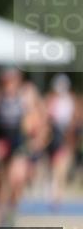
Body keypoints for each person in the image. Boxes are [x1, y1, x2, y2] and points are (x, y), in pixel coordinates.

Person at [0, 68, 31, 229]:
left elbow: (38, 117)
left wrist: (36, 137)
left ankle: (12, 211)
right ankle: (0, 214)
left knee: (17, 179)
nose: (9, 84)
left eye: (12, 80)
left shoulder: (26, 96)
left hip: (19, 141)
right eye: (6, 81)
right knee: (1, 180)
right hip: (1, 141)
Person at [45, 74, 76, 209]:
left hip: (63, 137)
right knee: (55, 167)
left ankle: (57, 196)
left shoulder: (69, 100)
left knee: (60, 167)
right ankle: (55, 194)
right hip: (55, 136)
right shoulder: (52, 100)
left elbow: (72, 121)